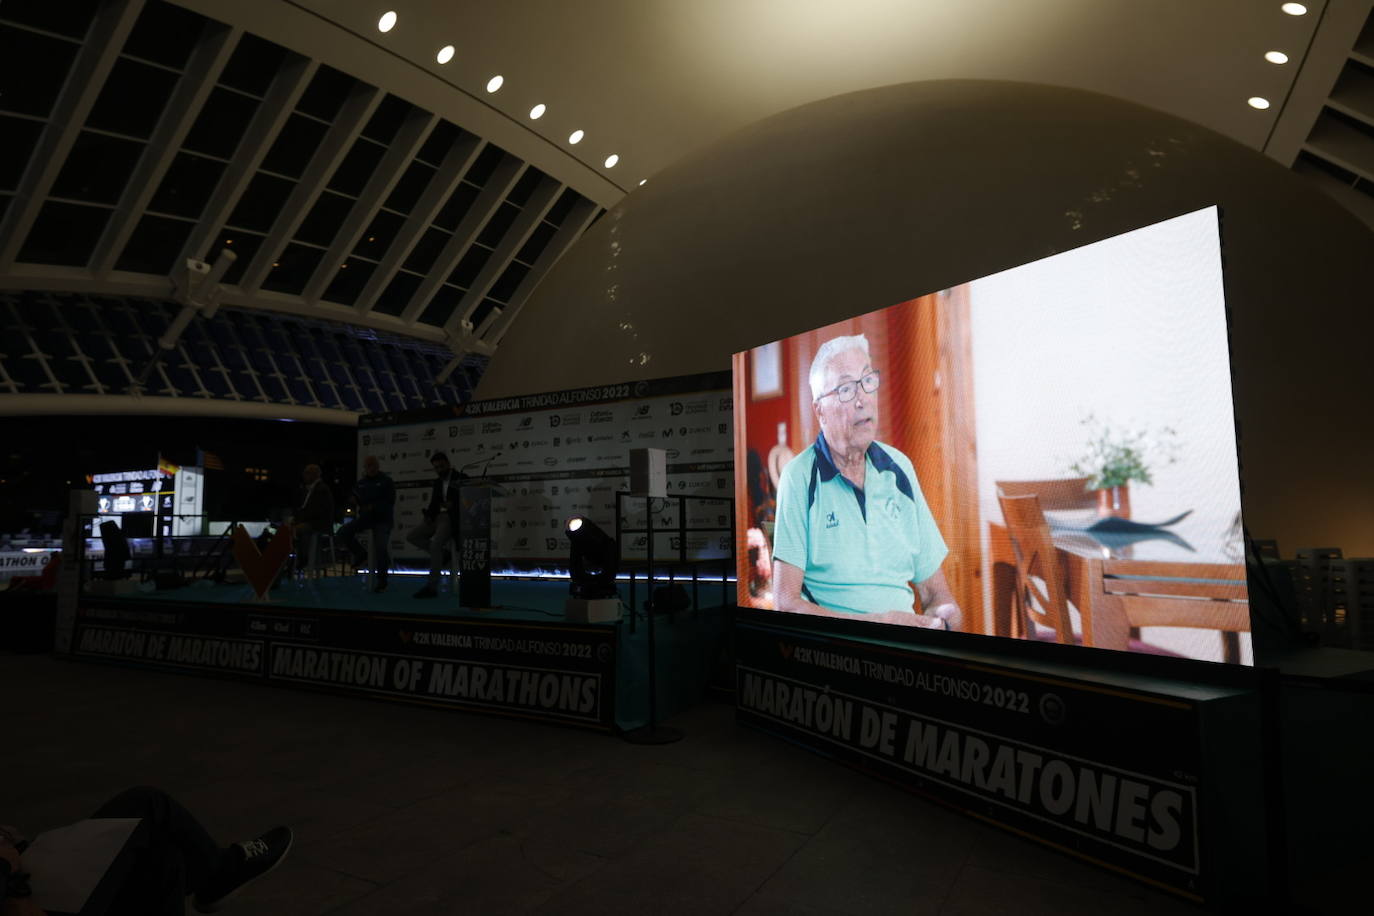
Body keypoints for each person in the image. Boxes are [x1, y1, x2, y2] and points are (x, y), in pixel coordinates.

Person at [771, 334, 963, 629]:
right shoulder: (798, 478)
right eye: (846, 389)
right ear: (819, 410)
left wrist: (945, 619)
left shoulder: (899, 469)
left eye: (868, 381)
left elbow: (935, 592)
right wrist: (879, 623)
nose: (863, 399)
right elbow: (786, 604)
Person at [0, 786, 291, 914]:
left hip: (23, 861)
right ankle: (221, 872)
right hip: (16, 885)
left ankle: (219, 873)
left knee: (163, 857)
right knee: (148, 803)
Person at [406, 451, 462, 598]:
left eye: (441, 466)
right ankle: (443, 555)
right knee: (412, 536)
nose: (439, 470)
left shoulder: (461, 478)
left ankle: (431, 587)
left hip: (451, 518)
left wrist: (453, 505)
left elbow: (468, 502)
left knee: (435, 544)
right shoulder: (437, 482)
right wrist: (428, 516)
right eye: (436, 467)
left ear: (448, 464)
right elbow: (434, 504)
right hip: (437, 518)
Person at [337, 455, 395, 592]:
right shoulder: (361, 483)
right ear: (365, 468)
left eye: (373, 465)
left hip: (382, 519)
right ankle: (360, 553)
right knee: (343, 532)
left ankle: (382, 580)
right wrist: (354, 501)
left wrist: (374, 507)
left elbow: (390, 502)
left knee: (380, 547)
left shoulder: (387, 481)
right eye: (368, 466)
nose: (371, 468)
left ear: (378, 466)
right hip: (365, 519)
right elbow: (356, 499)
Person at [290, 464, 335, 575]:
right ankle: (299, 559)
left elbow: (316, 511)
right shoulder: (309, 490)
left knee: (300, 530)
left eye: (307, 473)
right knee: (295, 529)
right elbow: (304, 509)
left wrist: (299, 521)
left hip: (320, 523)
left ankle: (302, 558)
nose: (304, 476)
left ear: (314, 475)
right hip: (313, 522)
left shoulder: (321, 489)